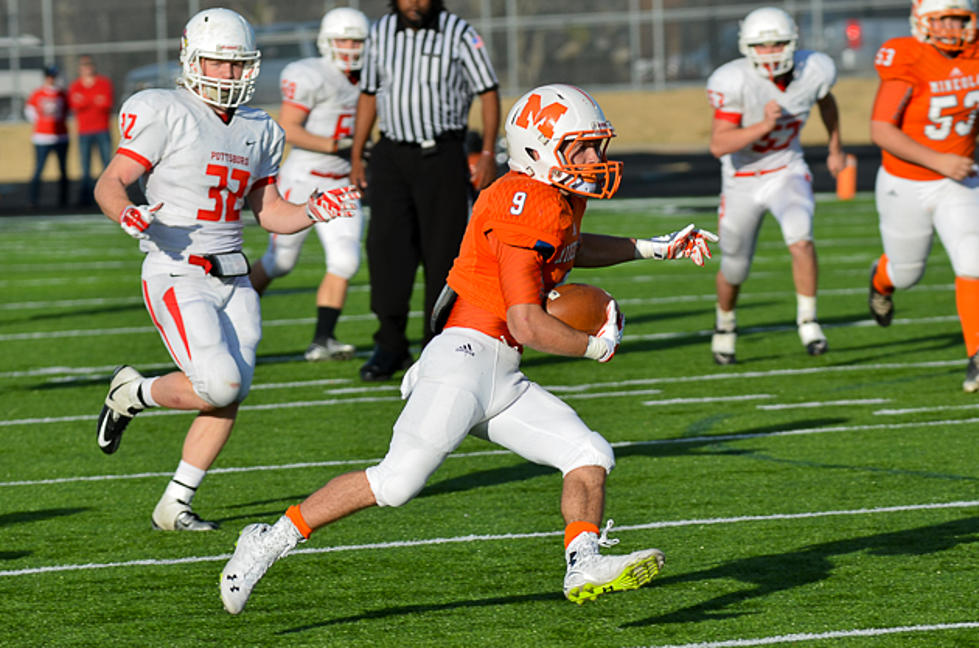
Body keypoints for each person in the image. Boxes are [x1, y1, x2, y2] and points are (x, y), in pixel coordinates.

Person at [219, 83, 718, 614]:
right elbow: (527, 322)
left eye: (597, 145)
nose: (596, 159)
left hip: (500, 370)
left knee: (588, 454)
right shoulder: (524, 201)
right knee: (395, 483)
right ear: (540, 146)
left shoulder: (556, 195)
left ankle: (584, 560)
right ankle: (268, 540)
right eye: (582, 147)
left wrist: (650, 247)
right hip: (465, 357)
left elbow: (569, 248)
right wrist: (595, 347)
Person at [93, 8, 359, 531]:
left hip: (235, 278)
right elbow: (111, 180)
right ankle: (134, 392)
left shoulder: (260, 129)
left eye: (238, 66)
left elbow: (272, 212)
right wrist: (126, 211)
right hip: (175, 268)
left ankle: (174, 503)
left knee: (231, 388)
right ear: (192, 60)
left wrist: (314, 209)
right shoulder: (164, 110)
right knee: (218, 384)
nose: (229, 76)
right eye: (218, 64)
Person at [350, 0, 501, 382]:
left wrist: (486, 152)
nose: (414, 4)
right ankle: (389, 345)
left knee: (443, 254)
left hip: (442, 154)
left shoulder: (459, 32)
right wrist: (357, 154)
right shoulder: (380, 32)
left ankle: (437, 346)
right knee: (386, 251)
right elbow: (368, 93)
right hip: (391, 155)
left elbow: (488, 91)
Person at [705, 6, 846, 364]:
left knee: (801, 238)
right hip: (742, 180)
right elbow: (719, 144)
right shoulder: (733, 80)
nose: (771, 52)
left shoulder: (813, 69)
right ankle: (725, 324)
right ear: (747, 47)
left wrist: (835, 146)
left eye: (778, 43)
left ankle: (809, 321)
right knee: (734, 267)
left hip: (786, 169)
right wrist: (763, 127)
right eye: (762, 45)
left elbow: (826, 102)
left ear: (793, 42)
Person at [868, 0, 979, 391]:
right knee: (907, 273)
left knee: (974, 260)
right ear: (921, 23)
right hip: (906, 182)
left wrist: (952, 164)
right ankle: (881, 280)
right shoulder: (908, 57)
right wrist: (940, 161)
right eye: (942, 18)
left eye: (958, 18)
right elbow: (881, 129)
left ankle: (976, 356)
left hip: (959, 181)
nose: (951, 26)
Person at [247, 8, 369, 362]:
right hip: (303, 179)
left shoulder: (372, 75)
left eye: (357, 41)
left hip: (342, 183)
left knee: (345, 261)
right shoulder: (310, 74)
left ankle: (322, 340)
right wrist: (339, 145)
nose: (350, 48)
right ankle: (232, 312)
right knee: (280, 262)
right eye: (343, 40)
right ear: (327, 43)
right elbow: (289, 128)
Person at [68, 55, 114, 207]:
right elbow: (75, 105)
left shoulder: (104, 83)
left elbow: (106, 103)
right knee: (85, 167)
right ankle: (86, 198)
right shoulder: (75, 86)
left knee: (108, 165)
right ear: (79, 68)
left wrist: (86, 100)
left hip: (102, 129)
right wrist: (94, 100)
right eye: (83, 65)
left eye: (89, 64)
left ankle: (111, 197)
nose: (87, 67)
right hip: (84, 131)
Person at [25, 65, 70, 208]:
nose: (51, 79)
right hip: (41, 138)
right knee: (38, 170)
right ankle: (33, 200)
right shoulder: (37, 94)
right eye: (49, 76)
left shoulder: (62, 94)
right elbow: (29, 112)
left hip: (61, 137)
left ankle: (63, 200)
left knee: (63, 170)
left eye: (53, 76)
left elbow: (68, 111)